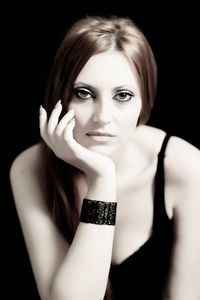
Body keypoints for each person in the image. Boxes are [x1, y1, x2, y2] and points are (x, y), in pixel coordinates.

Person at [9, 15, 200, 300]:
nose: (103, 118)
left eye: (122, 95)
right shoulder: (29, 168)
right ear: (60, 95)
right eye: (84, 93)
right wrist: (102, 179)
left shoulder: (184, 166)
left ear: (143, 99)